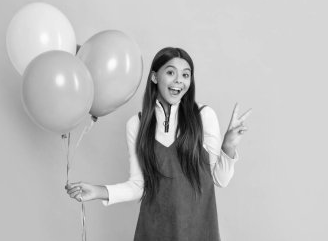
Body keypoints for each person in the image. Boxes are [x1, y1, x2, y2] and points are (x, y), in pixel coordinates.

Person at [65, 47, 252, 240]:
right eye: (171, 72)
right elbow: (139, 186)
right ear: (154, 77)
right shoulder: (137, 125)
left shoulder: (204, 116)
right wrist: (97, 191)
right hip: (153, 231)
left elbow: (220, 179)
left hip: (198, 232)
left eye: (186, 75)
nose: (179, 80)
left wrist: (229, 145)